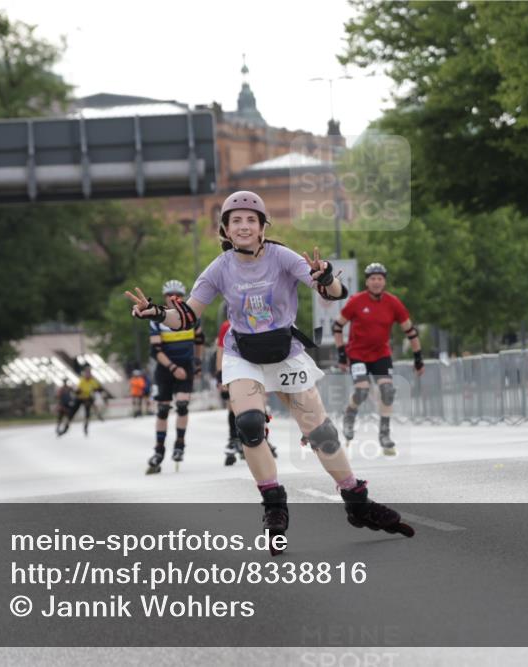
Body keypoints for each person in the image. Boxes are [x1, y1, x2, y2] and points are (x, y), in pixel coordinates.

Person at [126, 190, 414, 552]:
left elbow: (335, 291)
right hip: (242, 353)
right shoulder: (220, 267)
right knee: (248, 425)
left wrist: (324, 277)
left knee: (321, 431)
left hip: (285, 351)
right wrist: (155, 313)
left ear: (263, 227)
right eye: (236, 221)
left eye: (251, 220)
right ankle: (274, 504)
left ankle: (356, 500)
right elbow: (186, 314)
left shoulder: (282, 257)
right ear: (226, 231)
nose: (243, 226)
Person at [333, 262, 425, 455]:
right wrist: (341, 353)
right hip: (357, 354)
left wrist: (418, 358)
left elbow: (410, 330)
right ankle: (349, 414)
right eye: (372, 278)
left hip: (381, 354)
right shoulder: (356, 301)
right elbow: (337, 326)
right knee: (362, 392)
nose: (376, 282)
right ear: (367, 281)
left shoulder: (393, 303)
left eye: (380, 279)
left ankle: (384, 433)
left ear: (384, 282)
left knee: (387, 391)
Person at [145, 280, 204, 474]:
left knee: (182, 405)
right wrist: (172, 367)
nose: (172, 299)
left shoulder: (191, 317)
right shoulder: (157, 318)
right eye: (169, 295)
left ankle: (179, 445)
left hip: (185, 366)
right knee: (162, 410)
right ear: (164, 298)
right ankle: (159, 450)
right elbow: (156, 350)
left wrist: (197, 362)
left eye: (176, 295)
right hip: (165, 368)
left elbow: (199, 341)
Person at [216, 316, 277, 465]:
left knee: (261, 405)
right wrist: (219, 375)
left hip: (257, 367)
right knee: (233, 405)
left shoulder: (260, 321)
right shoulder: (227, 325)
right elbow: (220, 350)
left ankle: (263, 436)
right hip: (236, 369)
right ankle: (233, 438)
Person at [57, 366, 102, 437]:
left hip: (87, 398)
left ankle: (86, 427)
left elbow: (97, 388)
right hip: (80, 398)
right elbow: (77, 390)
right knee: (72, 413)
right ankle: (65, 428)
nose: (87, 375)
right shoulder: (82, 380)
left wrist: (96, 390)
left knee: (87, 413)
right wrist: (78, 391)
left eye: (88, 373)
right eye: (86, 373)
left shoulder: (93, 381)